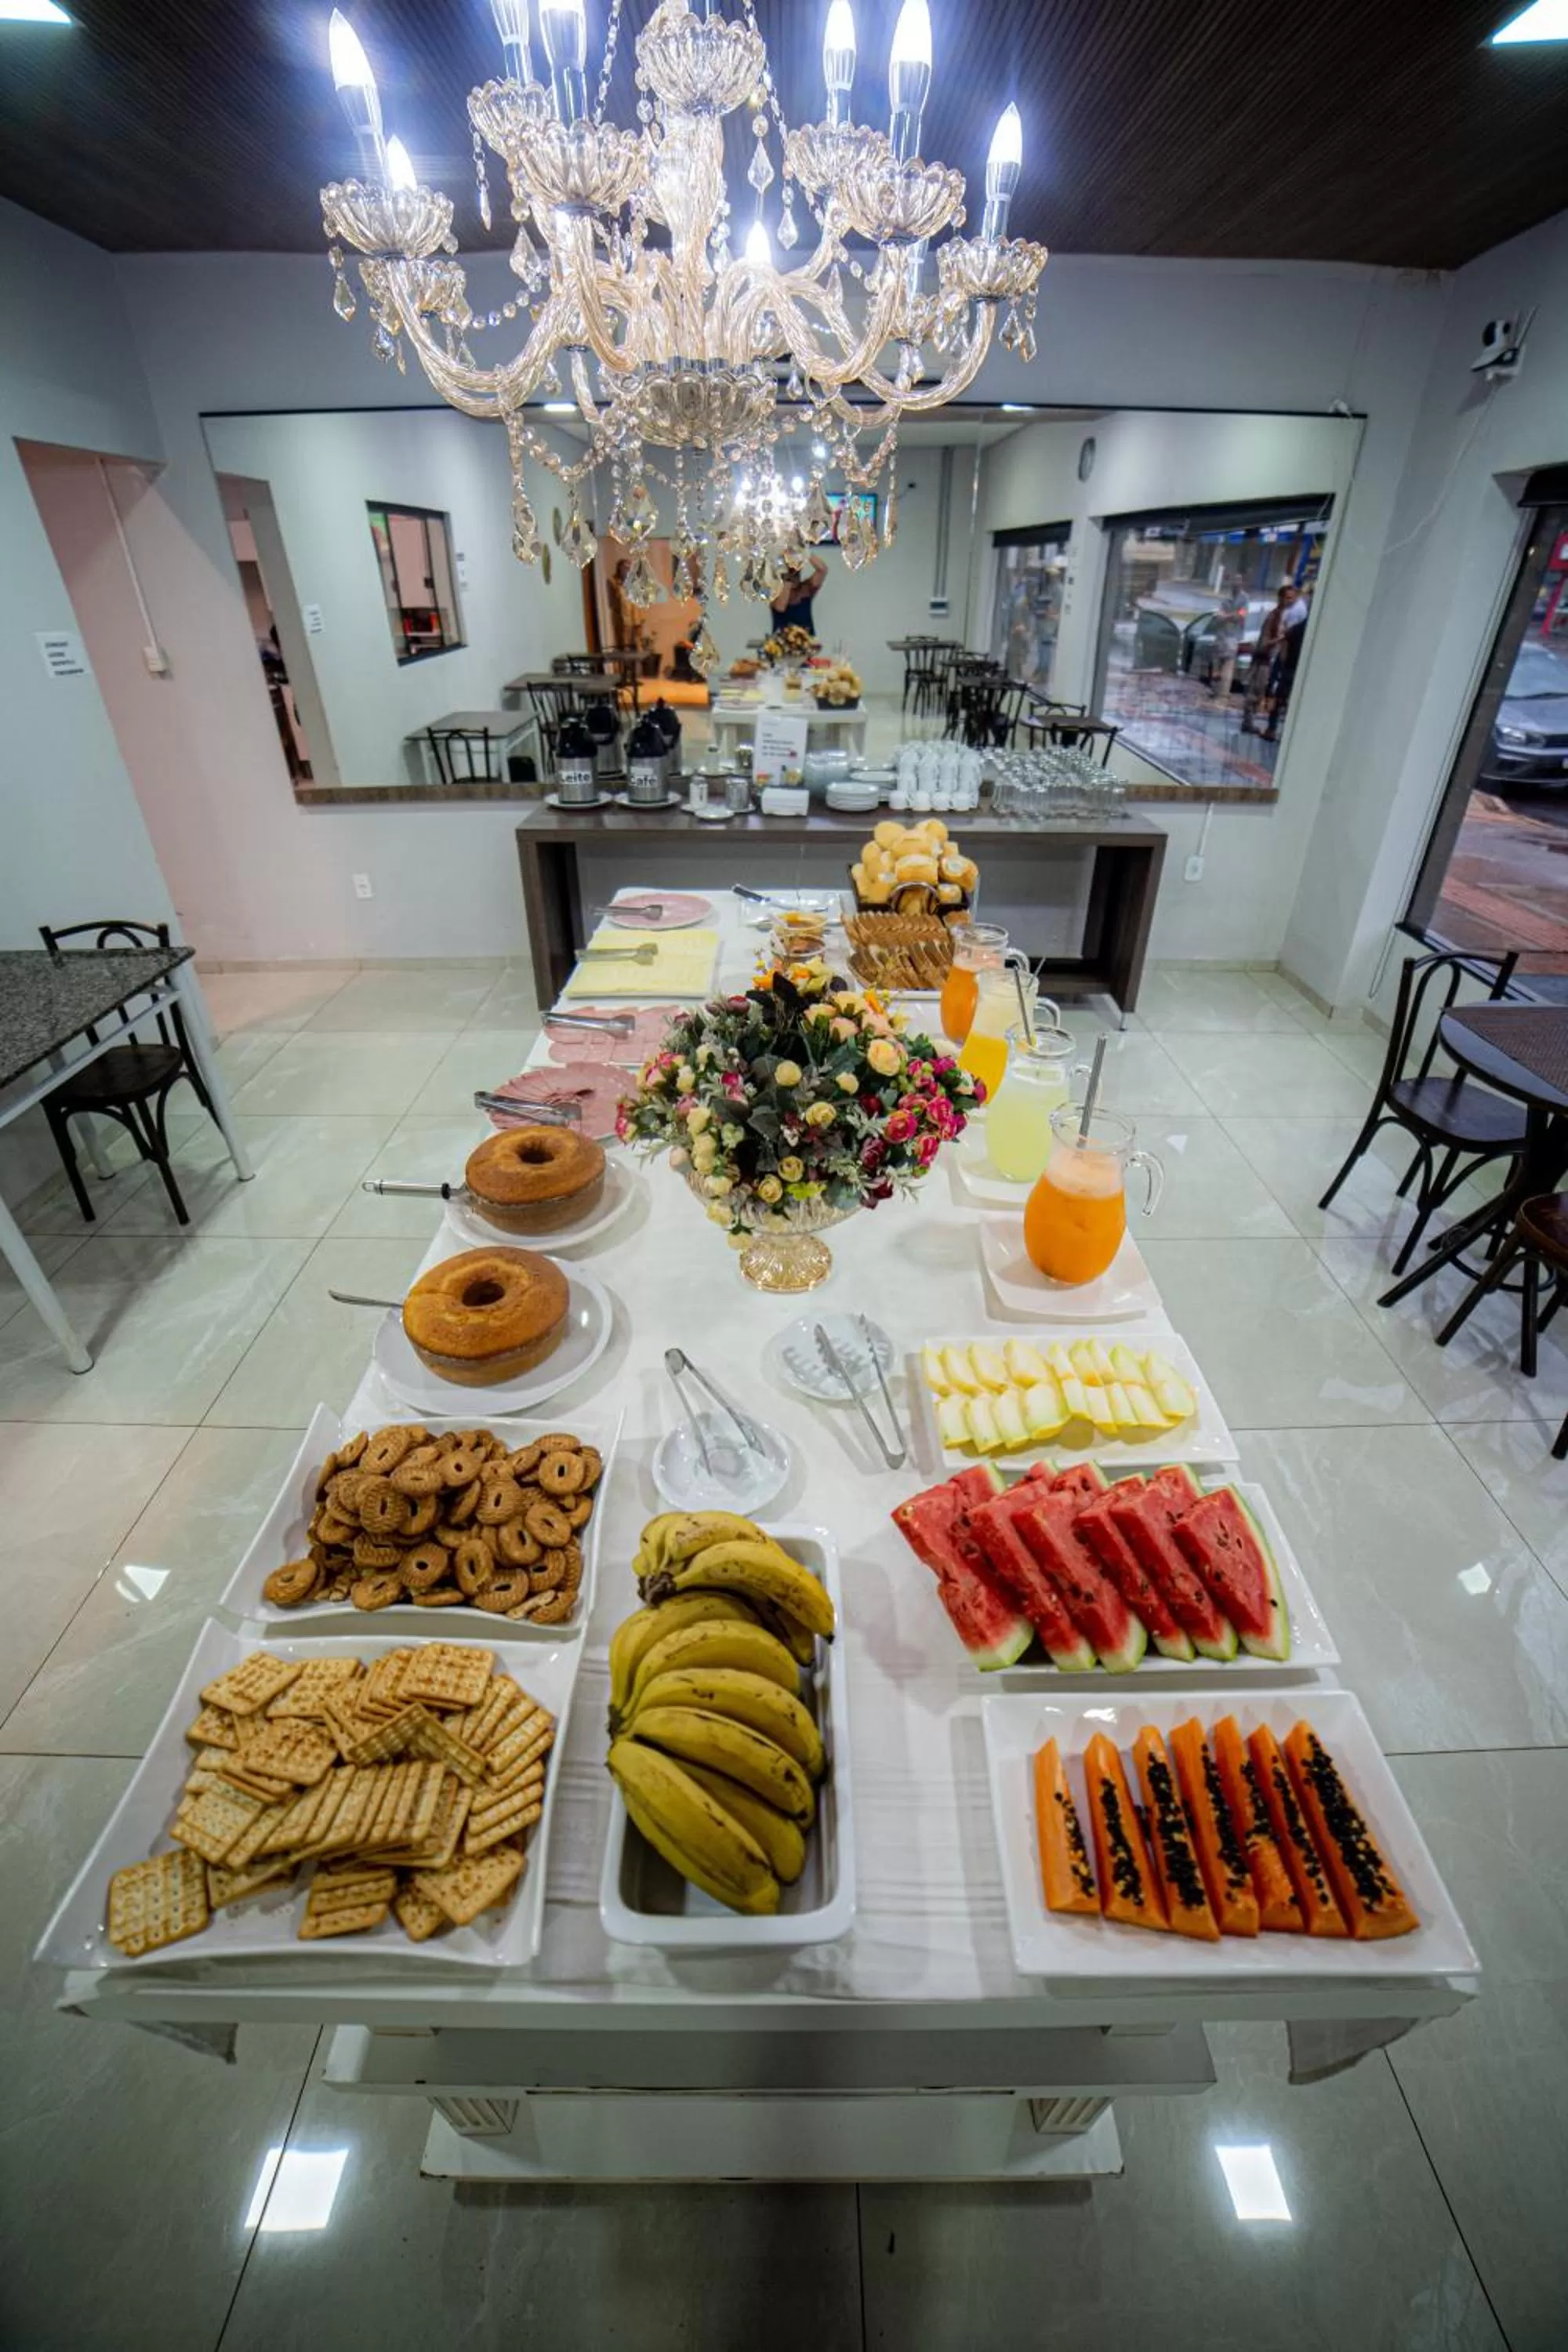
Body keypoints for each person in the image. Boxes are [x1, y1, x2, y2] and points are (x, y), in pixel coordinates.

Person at [1241, 582, 1294, 734]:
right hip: (1262, 660)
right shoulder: (1274, 617)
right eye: (1287, 598)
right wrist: (1282, 638)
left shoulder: (1281, 616)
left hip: (1268, 661)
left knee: (1260, 692)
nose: (1290, 601)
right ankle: (1247, 723)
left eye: (1292, 598)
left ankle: (1249, 722)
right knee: (1255, 692)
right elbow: (1264, 644)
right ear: (1280, 598)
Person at [1263, 586, 1310, 743]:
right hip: (1296, 669)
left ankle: (1273, 729)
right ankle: (1282, 731)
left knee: (1280, 699)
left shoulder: (1298, 624)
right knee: (1287, 701)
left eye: (1291, 597)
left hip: (1290, 668)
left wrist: (1281, 665)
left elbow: (1284, 644)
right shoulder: (1305, 626)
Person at [1206, 574, 1249, 703]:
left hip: (1233, 637)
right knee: (1216, 665)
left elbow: (1241, 615)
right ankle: (1215, 690)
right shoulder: (1227, 598)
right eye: (1234, 581)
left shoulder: (1245, 598)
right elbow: (1219, 614)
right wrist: (1227, 616)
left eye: (1238, 581)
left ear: (1242, 583)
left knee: (1228, 666)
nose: (1236, 583)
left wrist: (1226, 616)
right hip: (1221, 636)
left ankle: (1223, 694)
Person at [771, 553, 826, 637]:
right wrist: (788, 576)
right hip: (782, 644)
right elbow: (780, 607)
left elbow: (822, 570)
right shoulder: (775, 591)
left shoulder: (805, 589)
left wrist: (804, 551)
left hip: (806, 642)